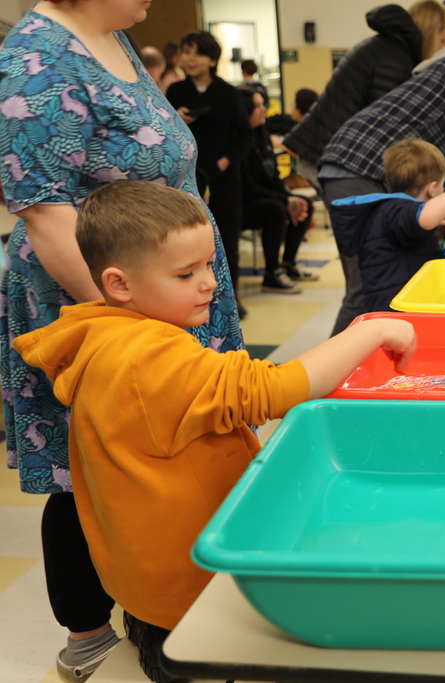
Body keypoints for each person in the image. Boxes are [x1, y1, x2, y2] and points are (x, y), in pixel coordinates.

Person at [14, 180, 417, 683]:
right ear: (120, 284)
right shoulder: (148, 358)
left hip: (145, 578)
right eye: (186, 273)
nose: (210, 283)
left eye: (208, 264)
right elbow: (270, 390)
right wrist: (369, 331)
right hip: (188, 586)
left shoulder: (103, 331)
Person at [0, 2, 244, 679]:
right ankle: (89, 635)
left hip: (161, 289)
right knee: (89, 470)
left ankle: (158, 601)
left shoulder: (112, 37)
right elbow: (49, 218)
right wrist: (135, 324)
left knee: (166, 454)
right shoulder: (36, 57)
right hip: (101, 301)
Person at [318, 34, 445, 334]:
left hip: (349, 162)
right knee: (364, 290)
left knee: (370, 282)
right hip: (360, 166)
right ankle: (330, 372)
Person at [281, 1, 445, 338]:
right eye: (443, 37)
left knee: (365, 280)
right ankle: (332, 375)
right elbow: (386, 135)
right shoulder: (395, 57)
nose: (442, 46)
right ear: (431, 32)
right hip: (338, 163)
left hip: (333, 160)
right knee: (364, 283)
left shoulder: (387, 48)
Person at [330, 140, 445, 314]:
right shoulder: (397, 210)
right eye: (443, 185)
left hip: (385, 307)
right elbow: (426, 218)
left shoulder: (388, 212)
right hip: (394, 312)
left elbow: (405, 249)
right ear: (432, 189)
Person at [167, 30, 253, 315]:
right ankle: (188, 295)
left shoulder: (229, 92)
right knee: (185, 236)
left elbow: (245, 135)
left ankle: (231, 296)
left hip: (224, 175)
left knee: (227, 235)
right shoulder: (176, 91)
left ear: (212, 59)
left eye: (198, 53)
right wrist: (175, 118)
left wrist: (227, 161)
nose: (191, 59)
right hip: (187, 176)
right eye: (186, 51)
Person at [237, 86, 318, 293]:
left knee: (304, 203)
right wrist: (284, 201)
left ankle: (288, 264)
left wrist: (289, 198)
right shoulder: (239, 143)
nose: (264, 109)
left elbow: (274, 178)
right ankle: (271, 273)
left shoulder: (263, 137)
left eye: (263, 104)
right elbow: (248, 187)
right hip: (242, 205)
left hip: (265, 197)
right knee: (275, 209)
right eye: (257, 106)